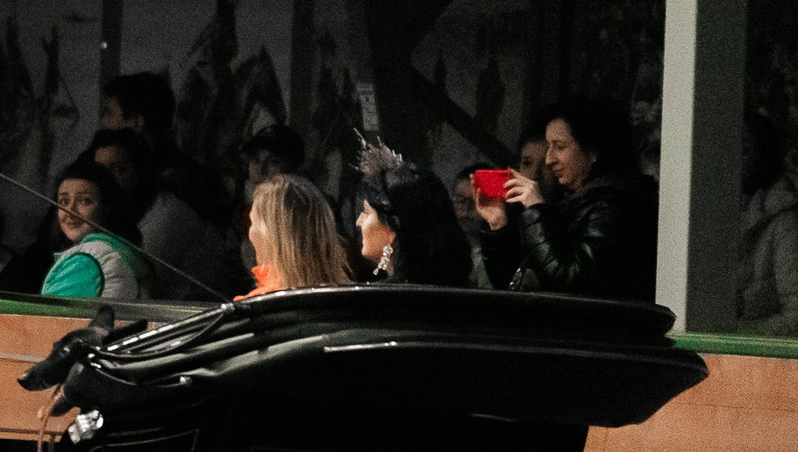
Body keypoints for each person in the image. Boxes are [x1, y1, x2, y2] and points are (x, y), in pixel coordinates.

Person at [476, 96, 657, 300]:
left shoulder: (616, 207)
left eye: (560, 147)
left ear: (592, 151)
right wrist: (498, 224)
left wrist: (537, 209)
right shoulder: (573, 203)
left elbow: (569, 281)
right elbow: (517, 284)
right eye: (549, 147)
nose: (549, 160)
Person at [88, 125, 240, 301]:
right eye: (100, 170)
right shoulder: (115, 211)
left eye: (120, 169)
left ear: (139, 171)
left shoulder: (168, 216)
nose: (107, 178)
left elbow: (134, 282)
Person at [100, 70, 234, 230]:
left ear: (136, 123)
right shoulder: (146, 173)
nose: (101, 123)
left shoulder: (178, 184)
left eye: (108, 113)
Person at [357, 143, 475, 287]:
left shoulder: (384, 302)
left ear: (394, 224)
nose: (359, 221)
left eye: (367, 212)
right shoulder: (457, 290)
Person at [39, 161, 146, 303]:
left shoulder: (87, 260)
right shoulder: (116, 250)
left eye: (85, 201)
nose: (70, 211)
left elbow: (47, 322)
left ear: (106, 208)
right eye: (64, 201)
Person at [244, 173, 353, 295]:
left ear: (269, 234)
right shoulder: (354, 302)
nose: (250, 234)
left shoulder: (253, 307)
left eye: (252, 222)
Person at [739, 113, 798, 335]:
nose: (735, 158)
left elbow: (796, 314)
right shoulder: (714, 212)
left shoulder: (784, 222)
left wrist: (740, 337)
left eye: (745, 149)